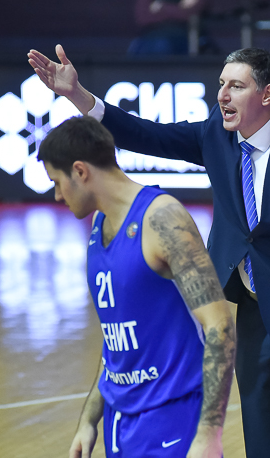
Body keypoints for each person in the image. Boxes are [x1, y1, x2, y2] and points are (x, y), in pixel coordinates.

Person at [28, 45, 270, 458]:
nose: (222, 94)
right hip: (253, 318)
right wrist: (78, 96)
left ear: (267, 94)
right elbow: (146, 134)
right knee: (261, 449)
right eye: (221, 84)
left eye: (236, 86)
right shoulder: (216, 135)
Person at [37, 116, 236, 458]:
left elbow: (220, 326)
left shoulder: (162, 219)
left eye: (57, 182)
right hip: (119, 420)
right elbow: (117, 337)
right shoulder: (99, 222)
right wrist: (89, 419)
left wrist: (209, 433)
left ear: (80, 171)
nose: (57, 195)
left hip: (172, 417)